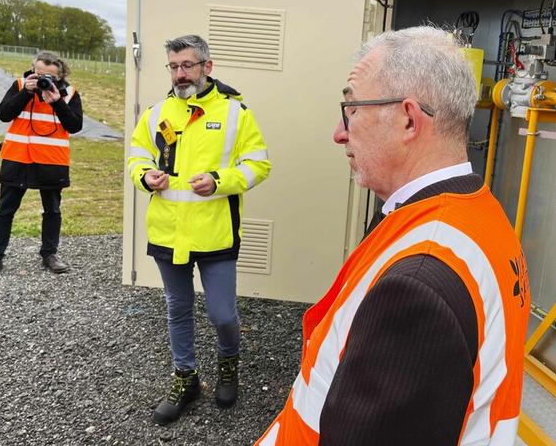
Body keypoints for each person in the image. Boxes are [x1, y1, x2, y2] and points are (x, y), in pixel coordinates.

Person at [256, 26, 530, 446]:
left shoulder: (418, 283)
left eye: (351, 108)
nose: (339, 132)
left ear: (407, 119)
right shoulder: (476, 212)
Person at [127, 34, 271, 425]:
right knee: (178, 308)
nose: (180, 73)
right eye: (173, 66)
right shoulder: (157, 112)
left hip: (215, 233)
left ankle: (228, 364)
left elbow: (258, 164)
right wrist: (145, 175)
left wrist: (220, 180)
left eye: (187, 65)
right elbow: (137, 154)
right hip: (167, 232)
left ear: (208, 66)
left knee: (223, 314)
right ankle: (185, 377)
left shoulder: (236, 113)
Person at [0, 51, 83, 280]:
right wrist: (26, 92)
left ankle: (49, 255)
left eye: (50, 77)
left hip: (51, 161)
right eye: (39, 74)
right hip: (18, 158)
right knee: (4, 210)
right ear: (33, 70)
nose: (44, 80)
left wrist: (57, 102)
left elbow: (74, 126)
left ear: (60, 77)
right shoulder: (21, 85)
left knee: (52, 210)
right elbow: (3, 114)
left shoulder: (69, 94)